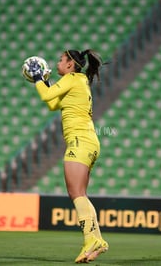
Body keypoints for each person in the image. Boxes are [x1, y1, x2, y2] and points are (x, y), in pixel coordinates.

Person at [23, 49, 109, 263]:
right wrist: (43, 81)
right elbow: (52, 103)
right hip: (87, 141)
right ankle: (97, 239)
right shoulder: (78, 81)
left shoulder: (72, 78)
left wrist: (37, 78)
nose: (58, 63)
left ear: (71, 64)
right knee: (81, 194)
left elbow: (45, 95)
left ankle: (90, 239)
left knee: (75, 193)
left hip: (80, 141)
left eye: (61, 60)